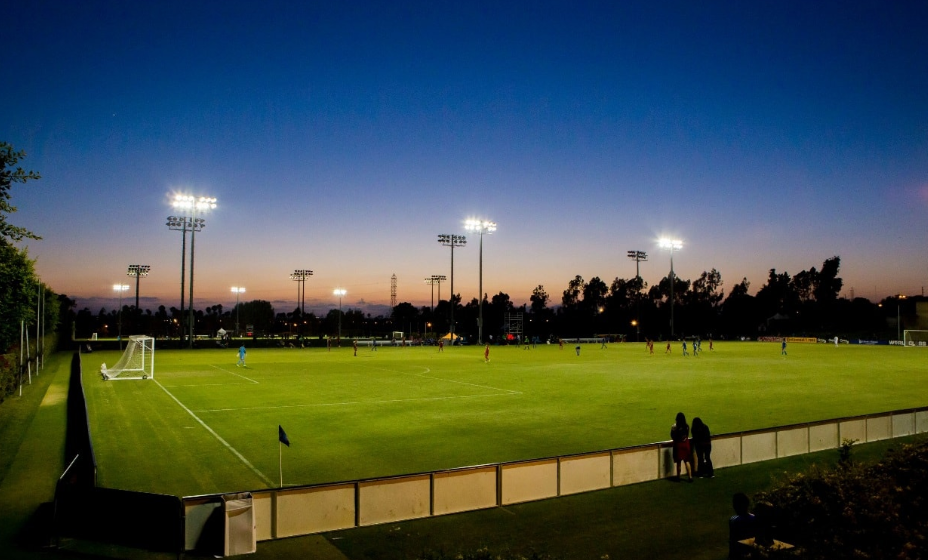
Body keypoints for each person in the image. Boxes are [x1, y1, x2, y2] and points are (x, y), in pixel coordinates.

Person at [729, 492, 758, 559]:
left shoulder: (734, 520)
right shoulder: (754, 518)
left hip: (739, 553)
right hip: (752, 551)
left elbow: (732, 541)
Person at [670, 412, 694, 481]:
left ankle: (678, 477)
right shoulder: (687, 426)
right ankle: (690, 477)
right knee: (687, 461)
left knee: (679, 462)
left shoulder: (675, 426)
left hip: (678, 445)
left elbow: (672, 435)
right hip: (686, 444)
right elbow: (687, 435)